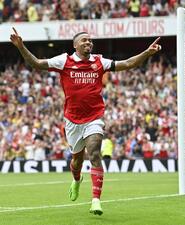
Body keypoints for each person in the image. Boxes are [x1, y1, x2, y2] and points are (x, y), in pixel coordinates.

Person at [10, 28, 161, 215]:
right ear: (75, 45)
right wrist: (21, 46)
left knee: (95, 152)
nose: (89, 43)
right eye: (84, 40)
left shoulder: (99, 62)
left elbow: (128, 63)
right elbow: (36, 63)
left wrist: (147, 52)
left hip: (94, 117)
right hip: (72, 120)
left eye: (90, 40)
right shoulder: (64, 60)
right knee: (76, 161)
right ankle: (76, 179)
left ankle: (96, 200)